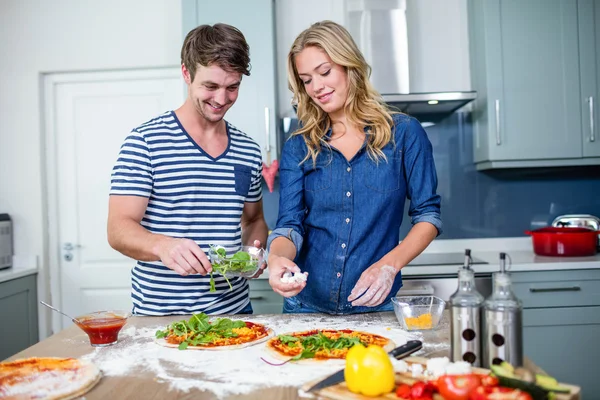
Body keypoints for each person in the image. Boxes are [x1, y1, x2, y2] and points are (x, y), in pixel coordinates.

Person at [267, 21, 442, 314]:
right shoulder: (299, 145)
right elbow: (289, 225)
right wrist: (276, 259)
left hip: (376, 308)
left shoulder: (405, 134)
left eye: (325, 72)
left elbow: (428, 216)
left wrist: (389, 265)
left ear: (350, 66)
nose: (317, 87)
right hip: (306, 306)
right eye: (307, 80)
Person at [107, 23, 268, 316]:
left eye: (232, 87)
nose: (222, 99)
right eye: (210, 86)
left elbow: (254, 220)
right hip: (161, 317)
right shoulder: (145, 142)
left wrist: (253, 253)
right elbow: (118, 229)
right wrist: (161, 245)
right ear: (186, 73)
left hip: (235, 313)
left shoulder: (248, 150)